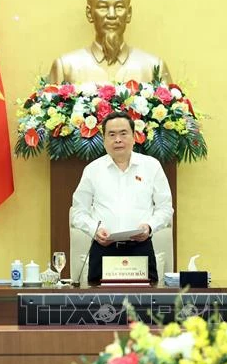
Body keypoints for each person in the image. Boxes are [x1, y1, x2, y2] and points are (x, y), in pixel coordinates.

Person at [71, 111, 173, 283]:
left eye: (123, 133)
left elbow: (165, 208)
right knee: (99, 307)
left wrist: (149, 226)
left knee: (144, 307)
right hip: (103, 249)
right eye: (111, 134)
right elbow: (78, 212)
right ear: (104, 140)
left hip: (140, 248)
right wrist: (93, 230)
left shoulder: (151, 166)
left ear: (134, 137)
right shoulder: (92, 170)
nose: (117, 139)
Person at [48, 0, 172, 84]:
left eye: (119, 7)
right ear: (89, 13)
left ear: (128, 14)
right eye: (103, 7)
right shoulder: (66, 67)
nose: (112, 15)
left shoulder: (153, 67)